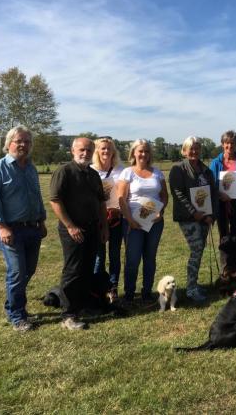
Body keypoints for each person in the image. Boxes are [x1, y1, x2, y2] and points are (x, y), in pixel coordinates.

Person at [0, 126, 48, 332]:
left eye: (27, 142)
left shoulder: (30, 167)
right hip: (10, 230)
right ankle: (17, 315)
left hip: (32, 228)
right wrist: (1, 226)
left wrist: (42, 220)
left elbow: (36, 196)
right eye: (19, 141)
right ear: (9, 143)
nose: (23, 145)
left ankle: (14, 305)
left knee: (28, 270)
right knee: (18, 272)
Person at [49, 137, 109, 330]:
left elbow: (101, 203)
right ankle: (68, 314)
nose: (85, 153)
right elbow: (55, 201)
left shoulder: (92, 175)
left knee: (87, 269)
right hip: (73, 230)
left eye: (89, 150)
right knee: (73, 271)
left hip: (92, 228)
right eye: (82, 150)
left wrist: (104, 226)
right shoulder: (64, 172)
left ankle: (82, 305)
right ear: (73, 151)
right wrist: (70, 226)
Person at [168, 136, 219, 303]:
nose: (194, 151)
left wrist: (212, 214)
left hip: (205, 217)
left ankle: (194, 284)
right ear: (184, 151)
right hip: (188, 218)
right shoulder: (178, 169)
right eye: (191, 148)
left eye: (197, 148)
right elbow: (178, 194)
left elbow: (212, 193)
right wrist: (194, 213)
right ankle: (191, 289)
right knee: (196, 249)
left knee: (199, 250)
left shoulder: (206, 170)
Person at [118, 139, 168, 303]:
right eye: (140, 151)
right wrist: (130, 219)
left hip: (154, 223)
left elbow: (164, 196)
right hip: (134, 222)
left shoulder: (158, 173)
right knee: (132, 259)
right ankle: (130, 293)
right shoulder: (127, 172)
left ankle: (147, 292)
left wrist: (160, 212)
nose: (143, 154)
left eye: (146, 151)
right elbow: (122, 199)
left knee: (150, 258)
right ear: (133, 153)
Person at [90, 136, 127, 302]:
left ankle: (113, 288)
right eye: (102, 148)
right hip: (97, 220)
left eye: (109, 148)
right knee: (98, 256)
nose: (106, 151)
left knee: (114, 255)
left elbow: (126, 194)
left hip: (116, 218)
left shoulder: (121, 170)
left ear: (114, 151)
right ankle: (98, 289)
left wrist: (118, 209)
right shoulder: (91, 170)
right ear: (97, 151)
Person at [209, 130, 236, 239]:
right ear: (222, 144)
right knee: (223, 237)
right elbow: (211, 185)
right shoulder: (215, 163)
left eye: (233, 143)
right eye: (227, 143)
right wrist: (219, 194)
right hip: (220, 203)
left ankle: (235, 256)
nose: (230, 145)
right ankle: (225, 257)